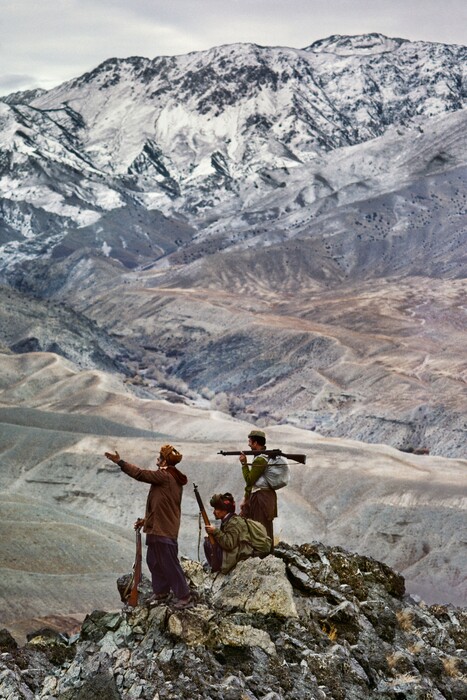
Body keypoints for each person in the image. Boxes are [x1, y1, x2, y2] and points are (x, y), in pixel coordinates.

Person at [104, 444, 192, 609]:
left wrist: (120, 462)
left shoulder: (165, 476)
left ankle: (184, 596)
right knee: (154, 561)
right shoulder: (170, 478)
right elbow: (161, 506)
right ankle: (161, 592)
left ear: (164, 461)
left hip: (163, 530)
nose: (157, 461)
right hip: (158, 528)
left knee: (169, 563)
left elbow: (139, 474)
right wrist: (146, 521)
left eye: (159, 458)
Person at [239, 429, 276, 551]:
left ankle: (265, 557)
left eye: (250, 442)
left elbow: (249, 480)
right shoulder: (261, 457)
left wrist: (244, 464)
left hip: (261, 498)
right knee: (260, 528)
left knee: (260, 529)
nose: (249, 444)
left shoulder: (260, 459)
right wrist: (246, 498)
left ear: (255, 443)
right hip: (262, 497)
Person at [204, 493, 257, 573]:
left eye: (216, 509)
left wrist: (215, 531)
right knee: (209, 541)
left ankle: (216, 568)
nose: (214, 512)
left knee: (208, 544)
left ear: (224, 510)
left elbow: (229, 544)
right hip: (234, 553)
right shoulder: (229, 520)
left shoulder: (233, 523)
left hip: (237, 556)